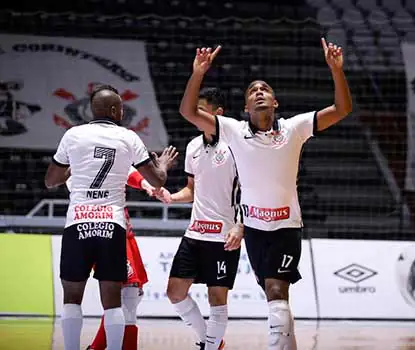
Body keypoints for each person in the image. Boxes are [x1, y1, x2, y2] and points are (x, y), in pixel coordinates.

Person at [179, 38, 352, 349]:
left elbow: (342, 109)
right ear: (246, 108)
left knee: (276, 291)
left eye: (265, 90)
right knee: (274, 298)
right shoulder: (232, 130)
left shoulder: (296, 127)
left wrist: (336, 70)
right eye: (252, 91)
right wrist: (198, 73)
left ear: (275, 103)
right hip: (255, 231)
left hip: (286, 227)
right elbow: (188, 111)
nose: (259, 92)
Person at [44, 84, 178, 350]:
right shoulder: (128, 137)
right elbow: (157, 178)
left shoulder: (73, 135)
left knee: (71, 298)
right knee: (114, 301)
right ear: (116, 110)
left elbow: (50, 181)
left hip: (78, 223)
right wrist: (162, 166)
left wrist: (74, 167)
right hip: (112, 225)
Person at [155, 87, 243, 350]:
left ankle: (211, 346)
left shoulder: (237, 145)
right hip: (194, 234)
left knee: (217, 298)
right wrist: (171, 197)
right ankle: (211, 342)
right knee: (175, 292)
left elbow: (251, 191)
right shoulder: (193, 145)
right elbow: (192, 191)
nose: (195, 116)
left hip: (223, 235)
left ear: (218, 114)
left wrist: (240, 226)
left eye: (201, 110)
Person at [76, 167, 155, 350]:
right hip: (101, 230)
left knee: (130, 295)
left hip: (121, 232)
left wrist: (146, 184)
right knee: (126, 296)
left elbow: (128, 170)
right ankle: (97, 348)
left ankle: (96, 348)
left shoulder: (113, 152)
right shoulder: (80, 164)